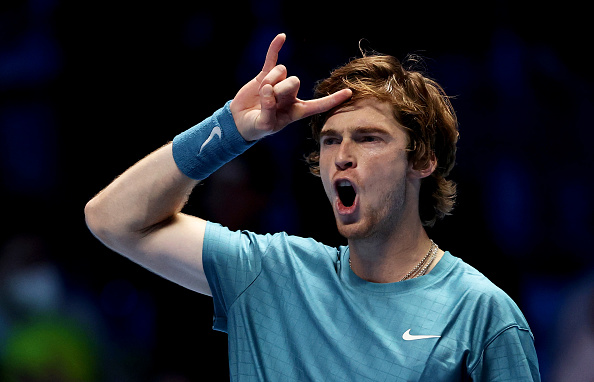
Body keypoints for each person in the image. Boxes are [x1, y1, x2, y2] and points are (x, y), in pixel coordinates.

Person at [85, 33, 540, 381]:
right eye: (329, 141)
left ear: (420, 159)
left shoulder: (482, 314)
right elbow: (113, 220)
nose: (341, 155)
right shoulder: (268, 274)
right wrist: (233, 130)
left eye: (368, 138)